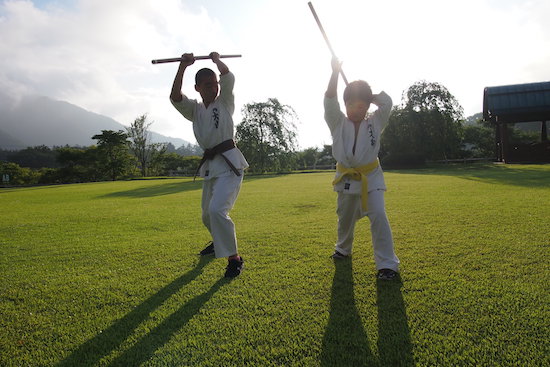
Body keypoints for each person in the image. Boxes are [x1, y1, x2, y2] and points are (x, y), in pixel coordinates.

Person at [170, 52, 248, 278]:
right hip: (212, 166)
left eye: (214, 84)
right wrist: (183, 66)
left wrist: (216, 60)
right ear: (197, 88)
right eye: (207, 85)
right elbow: (175, 96)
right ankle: (218, 241)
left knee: (217, 210)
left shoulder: (224, 102)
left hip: (230, 163)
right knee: (206, 215)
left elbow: (227, 76)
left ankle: (235, 259)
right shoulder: (194, 109)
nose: (213, 88)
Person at [324, 57, 400, 280]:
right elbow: (330, 99)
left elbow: (387, 103)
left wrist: (369, 96)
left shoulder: (375, 121)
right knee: (345, 217)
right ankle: (343, 248)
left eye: (360, 106)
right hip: (346, 178)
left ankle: (387, 265)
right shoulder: (337, 121)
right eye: (350, 105)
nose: (354, 110)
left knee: (378, 215)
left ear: (367, 107)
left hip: (371, 178)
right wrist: (335, 73)